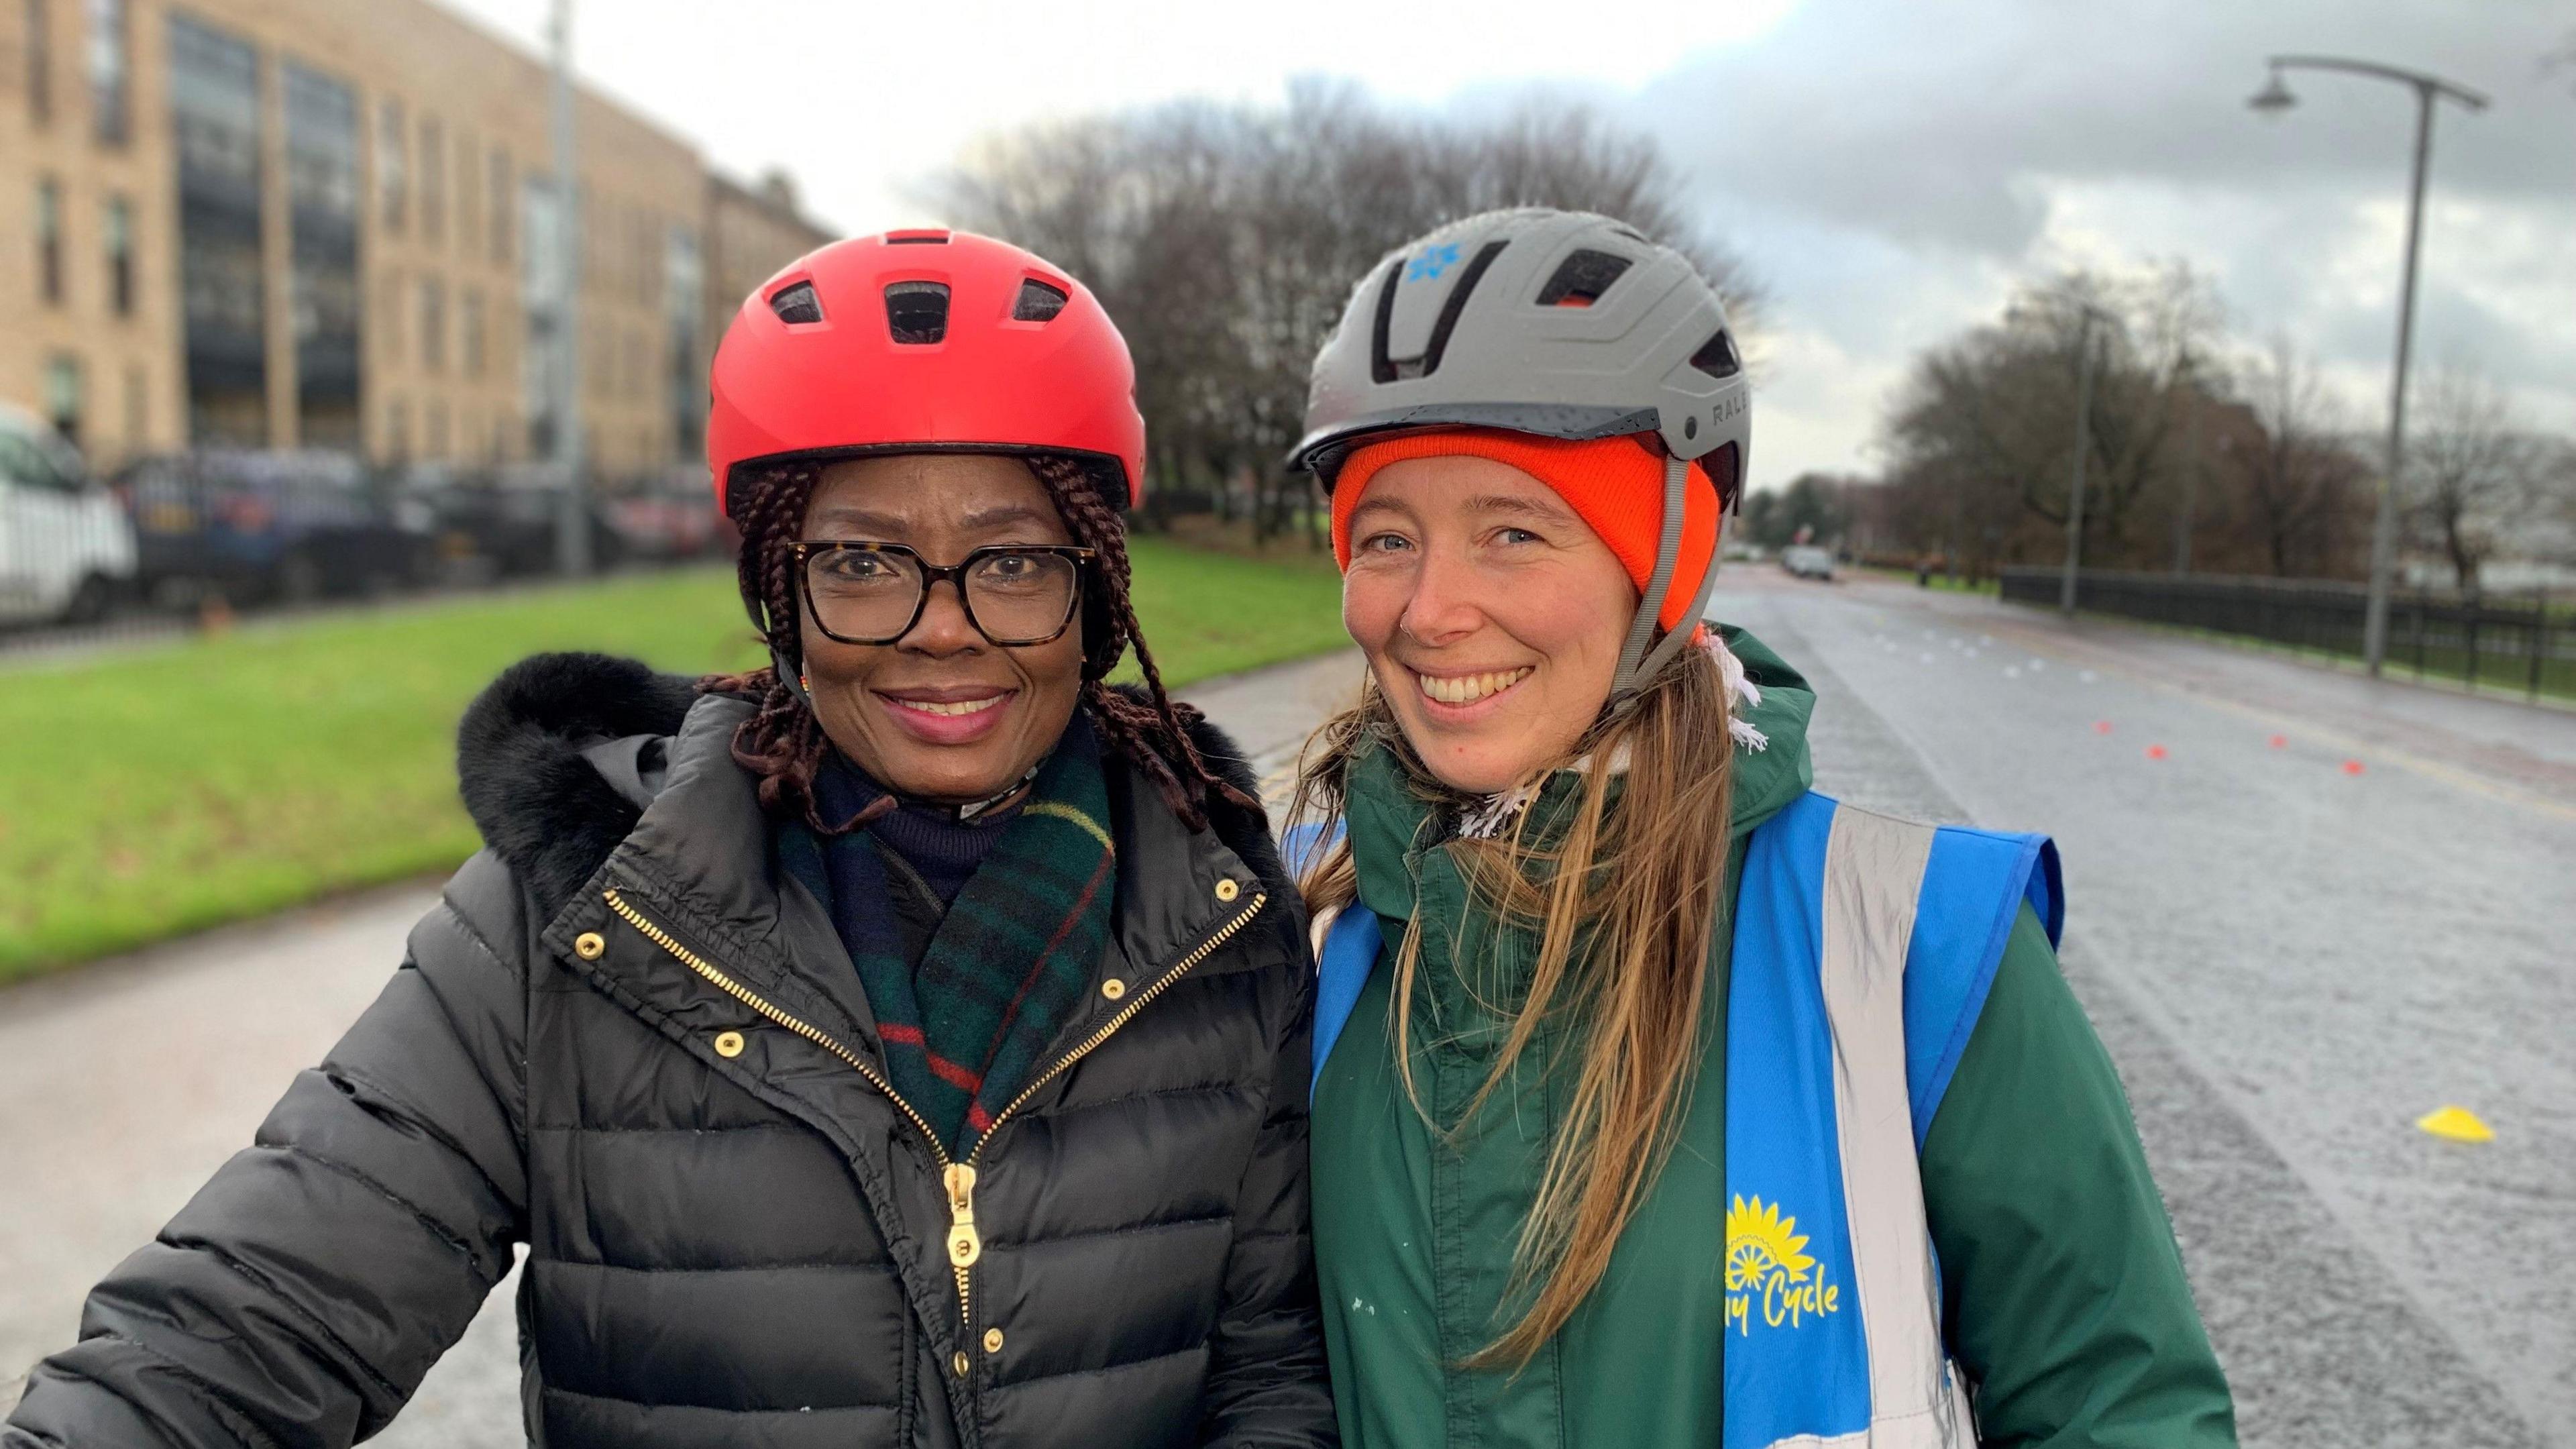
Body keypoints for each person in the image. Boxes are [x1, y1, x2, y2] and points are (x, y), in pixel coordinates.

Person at [7, 231, 1334, 1448]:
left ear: (1094, 589)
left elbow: (1270, 1358)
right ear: (779, 588)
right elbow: (248, 1319)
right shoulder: (584, 912)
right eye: (863, 562)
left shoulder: (1216, 922)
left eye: (1012, 561)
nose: (943, 627)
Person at [1283, 209, 2234, 1447]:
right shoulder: (1301, 926)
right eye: (1386, 538)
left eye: (1513, 532)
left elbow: (2121, 1405)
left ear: (1666, 566)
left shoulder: (1918, 946)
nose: (1429, 610)